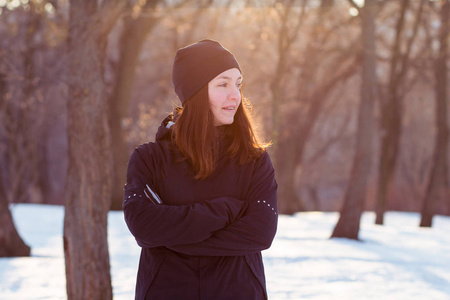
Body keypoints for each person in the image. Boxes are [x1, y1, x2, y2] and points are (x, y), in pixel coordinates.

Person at [123, 39, 278, 300]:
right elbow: (143, 226)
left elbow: (260, 232)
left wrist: (172, 237)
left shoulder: (254, 160)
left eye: (238, 84)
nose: (235, 96)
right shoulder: (150, 158)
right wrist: (225, 209)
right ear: (194, 92)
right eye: (223, 84)